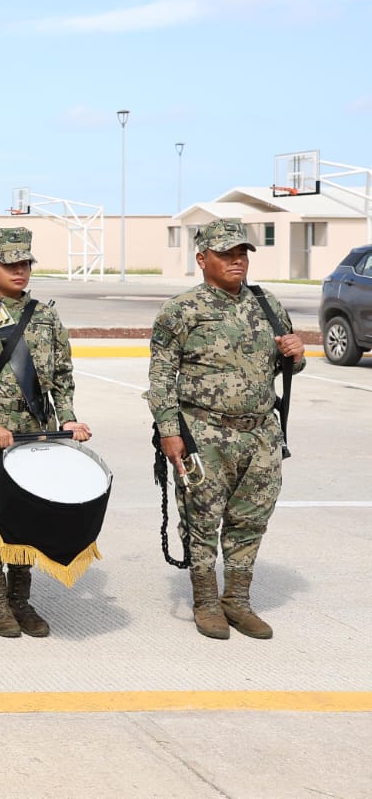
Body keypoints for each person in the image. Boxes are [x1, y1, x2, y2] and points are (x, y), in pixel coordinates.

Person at [147, 218, 304, 640]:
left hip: (261, 434)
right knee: (201, 521)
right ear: (202, 259)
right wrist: (169, 432)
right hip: (204, 434)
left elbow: (287, 364)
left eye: (242, 254)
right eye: (226, 254)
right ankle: (205, 601)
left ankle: (237, 600)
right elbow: (161, 378)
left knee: (250, 520)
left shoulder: (266, 304)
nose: (237, 261)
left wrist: (296, 354)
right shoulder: (182, 310)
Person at [0, 227, 91, 639]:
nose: (19, 271)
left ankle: (20, 599)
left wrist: (67, 418)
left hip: (35, 435)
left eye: (25, 264)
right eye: (10, 265)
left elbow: (62, 373)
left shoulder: (46, 316)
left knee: (29, 520)